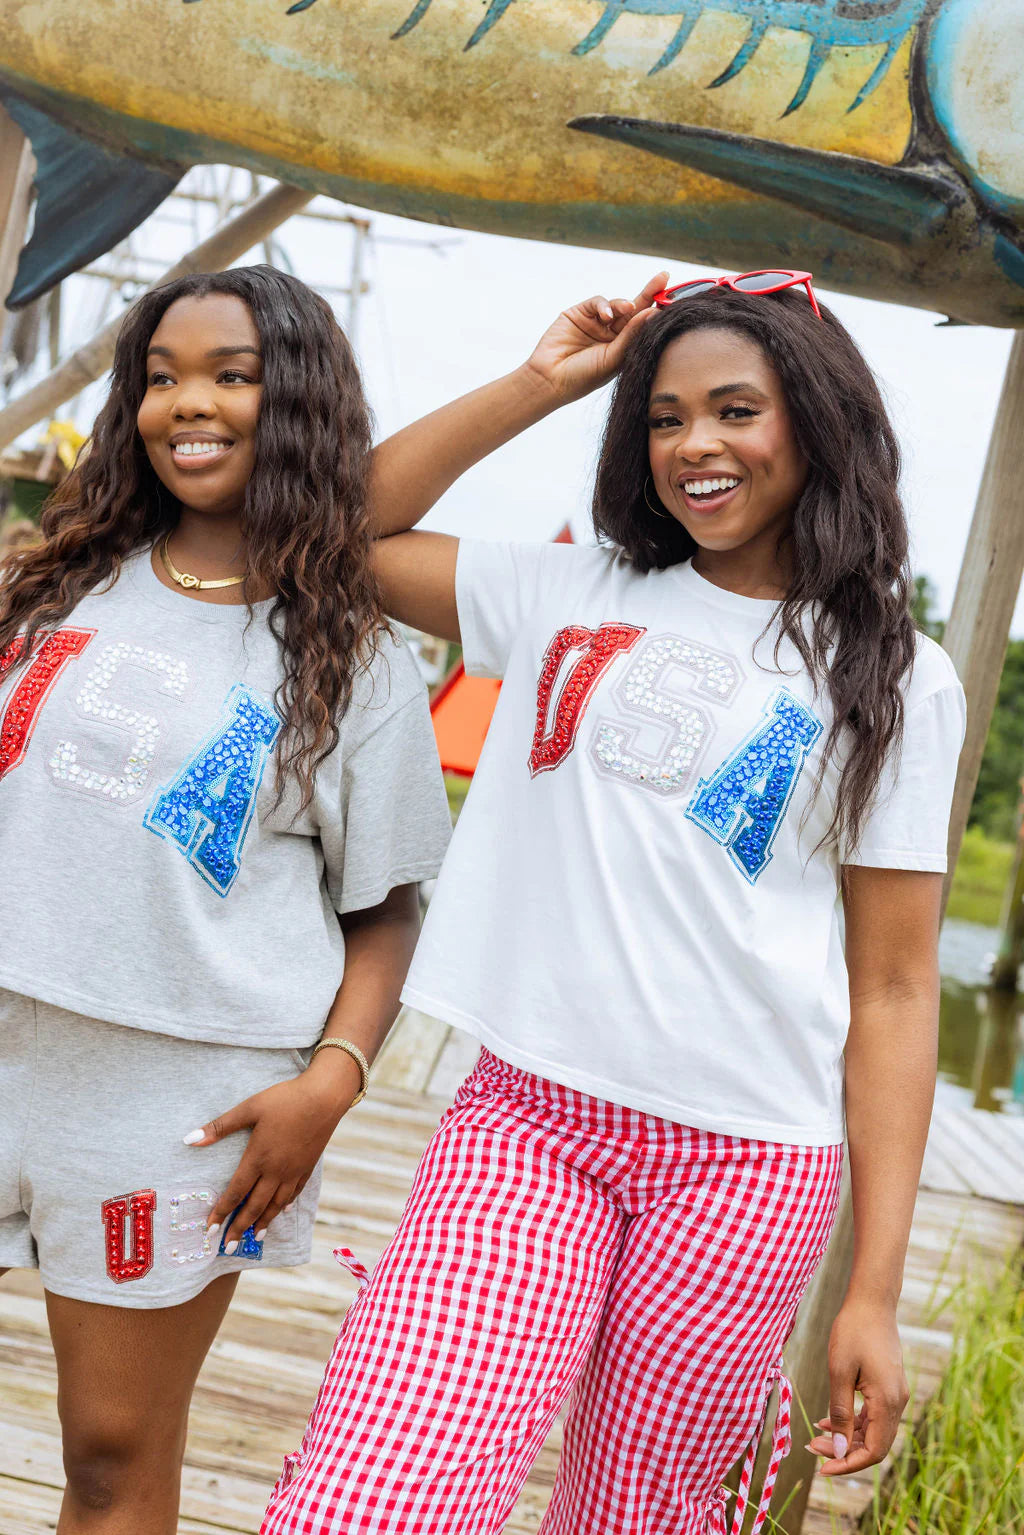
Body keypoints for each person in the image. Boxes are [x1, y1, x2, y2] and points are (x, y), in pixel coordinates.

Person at [261, 270, 966, 1535]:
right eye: (664, 416)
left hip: (747, 1167)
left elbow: (899, 985)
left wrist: (872, 1287)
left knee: (643, 1516)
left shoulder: (901, 677)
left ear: (815, 420)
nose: (695, 443)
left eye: (735, 409)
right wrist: (547, 380)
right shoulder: (568, 591)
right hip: (524, 1122)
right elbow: (327, 535)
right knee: (376, 1490)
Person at [0, 265, 452, 1534]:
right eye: (159, 377)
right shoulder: (52, 583)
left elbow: (387, 907)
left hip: (178, 1094)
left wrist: (331, 1080)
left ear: (295, 400)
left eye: (231, 375)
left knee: (107, 1450)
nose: (186, 404)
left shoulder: (353, 652)